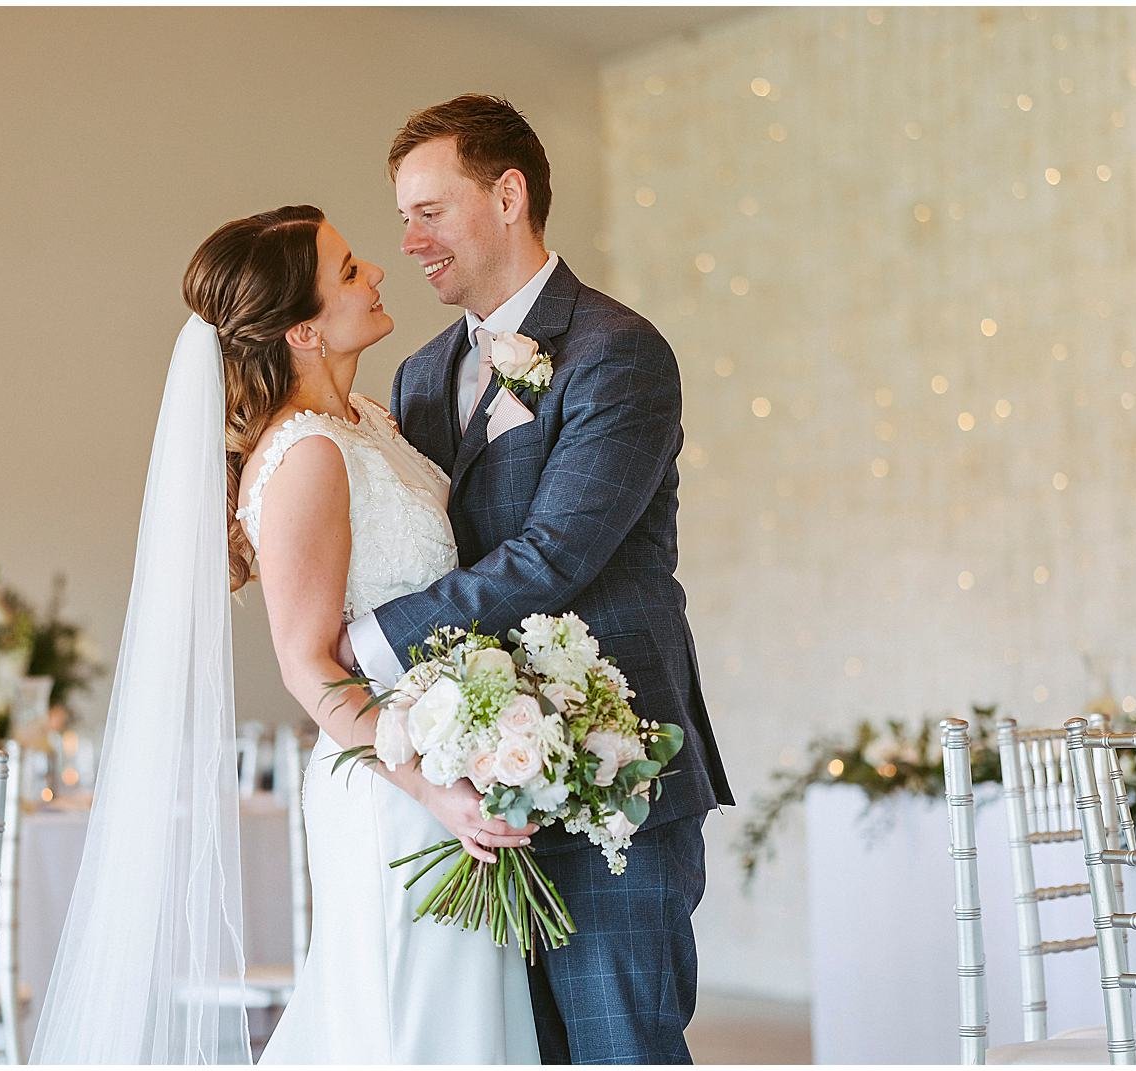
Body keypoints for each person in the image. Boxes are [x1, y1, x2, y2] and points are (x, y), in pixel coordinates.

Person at [32, 204, 538, 1064]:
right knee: (408, 1029)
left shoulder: (371, 421)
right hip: (393, 787)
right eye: (348, 271)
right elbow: (308, 665)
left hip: (444, 766)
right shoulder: (305, 455)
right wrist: (430, 787)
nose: (376, 271)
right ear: (303, 329)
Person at [340, 95, 734, 1064]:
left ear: (508, 195)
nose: (409, 240)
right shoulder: (422, 374)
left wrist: (373, 640)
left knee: (618, 1046)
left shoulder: (617, 351)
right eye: (402, 216)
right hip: (474, 772)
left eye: (429, 211)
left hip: (615, 763)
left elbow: (559, 550)